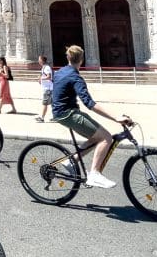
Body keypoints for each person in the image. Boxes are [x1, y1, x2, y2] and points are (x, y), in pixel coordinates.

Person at [50, 45, 131, 189]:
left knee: (95, 137)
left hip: (59, 113)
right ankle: (94, 174)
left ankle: (71, 160)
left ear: (68, 57)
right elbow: (90, 104)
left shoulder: (59, 72)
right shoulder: (75, 77)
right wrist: (116, 118)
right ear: (81, 60)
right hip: (68, 114)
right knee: (106, 138)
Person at [36, 54, 53, 122]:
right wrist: (40, 80)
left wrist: (41, 78)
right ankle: (55, 117)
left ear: (42, 60)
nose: (38, 61)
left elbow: (49, 76)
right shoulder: (44, 67)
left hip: (48, 88)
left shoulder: (47, 68)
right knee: (52, 103)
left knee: (45, 103)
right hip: (47, 88)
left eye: (39, 59)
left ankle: (42, 118)